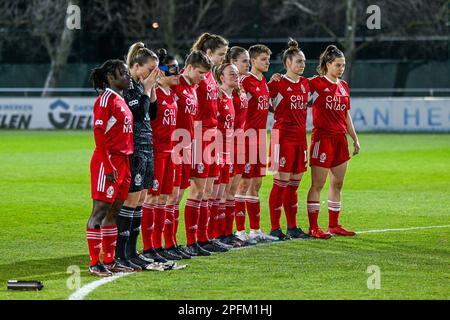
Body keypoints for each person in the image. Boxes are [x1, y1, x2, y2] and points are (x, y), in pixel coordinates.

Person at [116, 42, 164, 271]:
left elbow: (152, 114)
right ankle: (121, 253)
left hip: (147, 146)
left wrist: (151, 88)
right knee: (131, 200)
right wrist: (146, 88)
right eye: (150, 68)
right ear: (136, 66)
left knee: (141, 199)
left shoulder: (142, 86)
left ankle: (133, 252)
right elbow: (138, 113)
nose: (153, 72)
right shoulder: (128, 86)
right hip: (135, 148)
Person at [86, 59, 135, 277]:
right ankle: (95, 262)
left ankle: (109, 259)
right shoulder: (105, 99)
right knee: (100, 211)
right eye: (123, 73)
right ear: (111, 78)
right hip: (108, 161)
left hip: (123, 161)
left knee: (114, 212)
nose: (128, 76)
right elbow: (98, 133)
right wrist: (107, 165)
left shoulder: (121, 99)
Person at [306, 45, 360, 239]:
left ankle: (334, 224)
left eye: (343, 65)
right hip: (322, 138)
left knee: (337, 184)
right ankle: (313, 227)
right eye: (338, 65)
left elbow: (346, 115)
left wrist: (354, 138)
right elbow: (295, 84)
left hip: (339, 140)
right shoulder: (316, 83)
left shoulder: (344, 86)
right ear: (328, 64)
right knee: (317, 184)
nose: (341, 68)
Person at [143, 48, 191, 261]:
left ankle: (161, 245)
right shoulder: (154, 94)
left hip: (171, 153)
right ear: (160, 72)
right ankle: (148, 247)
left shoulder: (172, 94)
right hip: (156, 154)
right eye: (172, 70)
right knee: (152, 199)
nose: (177, 74)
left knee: (164, 199)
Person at [189, 33, 231, 253]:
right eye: (221, 54)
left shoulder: (211, 77)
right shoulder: (199, 77)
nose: (223, 59)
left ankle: (205, 237)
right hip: (200, 136)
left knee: (208, 192)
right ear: (208, 53)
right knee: (197, 191)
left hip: (212, 136)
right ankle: (193, 240)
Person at [169, 50, 214, 257]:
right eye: (199, 72)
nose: (202, 77)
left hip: (188, 147)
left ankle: (186, 242)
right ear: (188, 67)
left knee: (178, 196)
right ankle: (168, 244)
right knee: (169, 197)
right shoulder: (175, 85)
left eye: (205, 74)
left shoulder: (193, 88)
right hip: (173, 148)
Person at [267, 39, 312, 240]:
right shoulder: (277, 84)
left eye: (303, 61)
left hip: (300, 140)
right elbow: (262, 102)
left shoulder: (306, 84)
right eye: (298, 62)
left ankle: (292, 227)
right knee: (280, 184)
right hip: (282, 138)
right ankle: (275, 228)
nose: (302, 65)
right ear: (287, 63)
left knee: (294, 185)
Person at [235, 44, 279, 243]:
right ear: (253, 61)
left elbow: (270, 108)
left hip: (261, 137)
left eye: (268, 59)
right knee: (243, 185)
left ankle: (255, 230)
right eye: (263, 59)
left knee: (256, 184)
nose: (267, 62)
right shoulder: (244, 81)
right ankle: (239, 231)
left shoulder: (264, 83)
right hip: (247, 138)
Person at [209, 63, 244, 246]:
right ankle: (211, 235)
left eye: (237, 74)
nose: (236, 76)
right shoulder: (218, 96)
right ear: (221, 77)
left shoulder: (230, 96)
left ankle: (222, 234)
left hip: (227, 152)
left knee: (222, 195)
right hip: (216, 152)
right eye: (232, 74)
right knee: (214, 195)